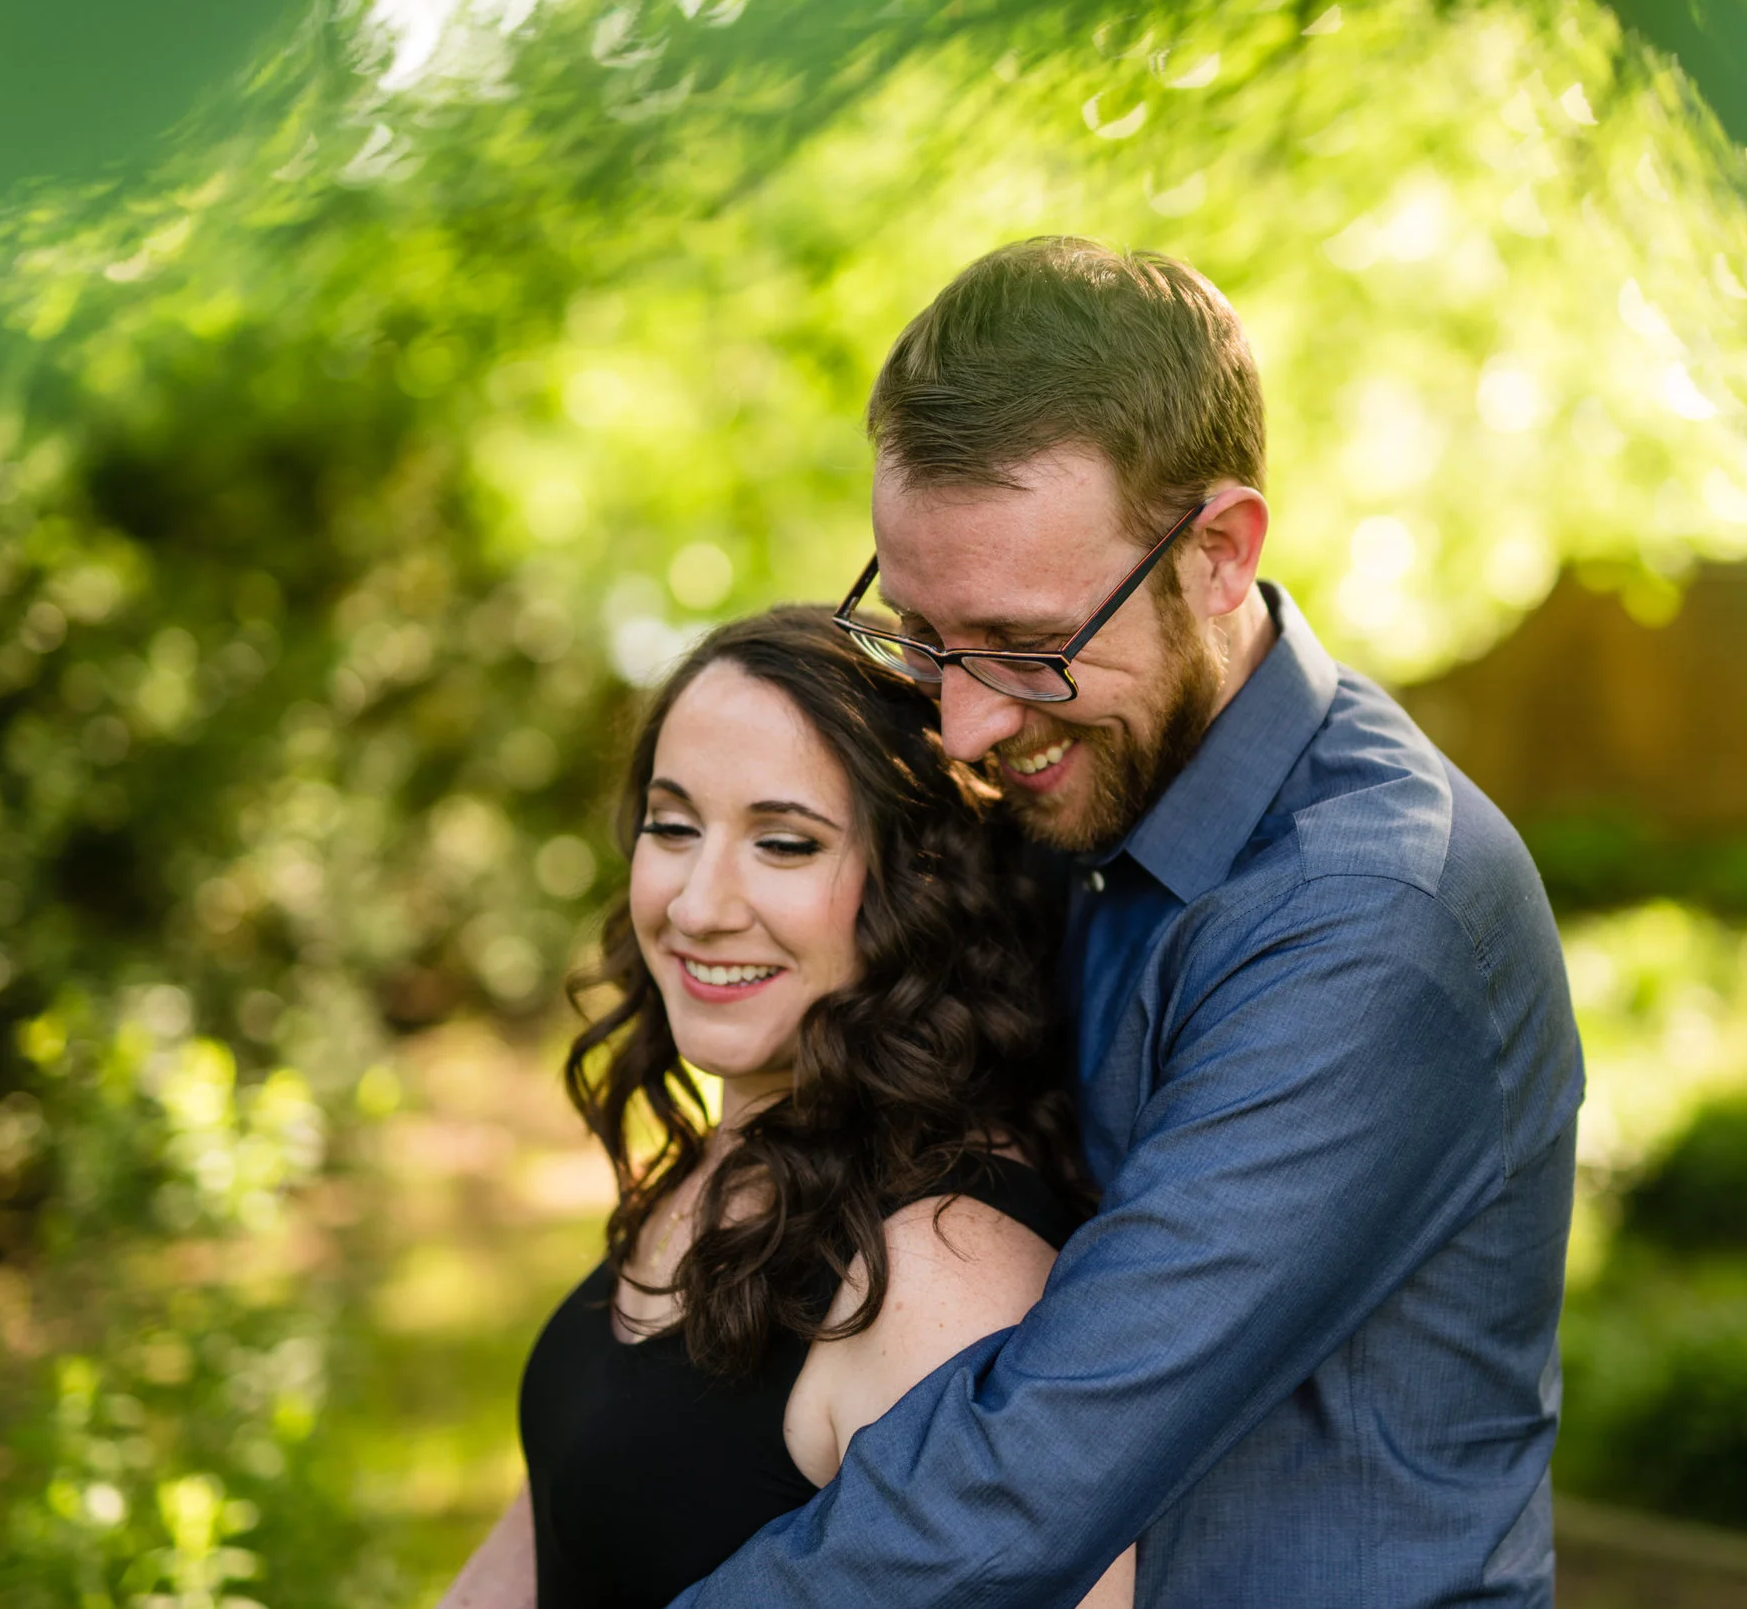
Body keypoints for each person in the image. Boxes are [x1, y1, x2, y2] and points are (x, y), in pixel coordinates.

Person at [670, 238, 1587, 1607]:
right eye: (922, 635)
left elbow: (1038, 1463)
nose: (967, 723)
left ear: (1218, 554)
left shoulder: (1369, 923)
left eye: (1027, 645)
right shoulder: (1088, 793)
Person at [437, 607, 1135, 1609]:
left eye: (784, 842)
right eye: (672, 827)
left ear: (917, 884)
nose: (697, 904)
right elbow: (550, 1538)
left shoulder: (941, 1272)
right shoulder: (730, 1163)